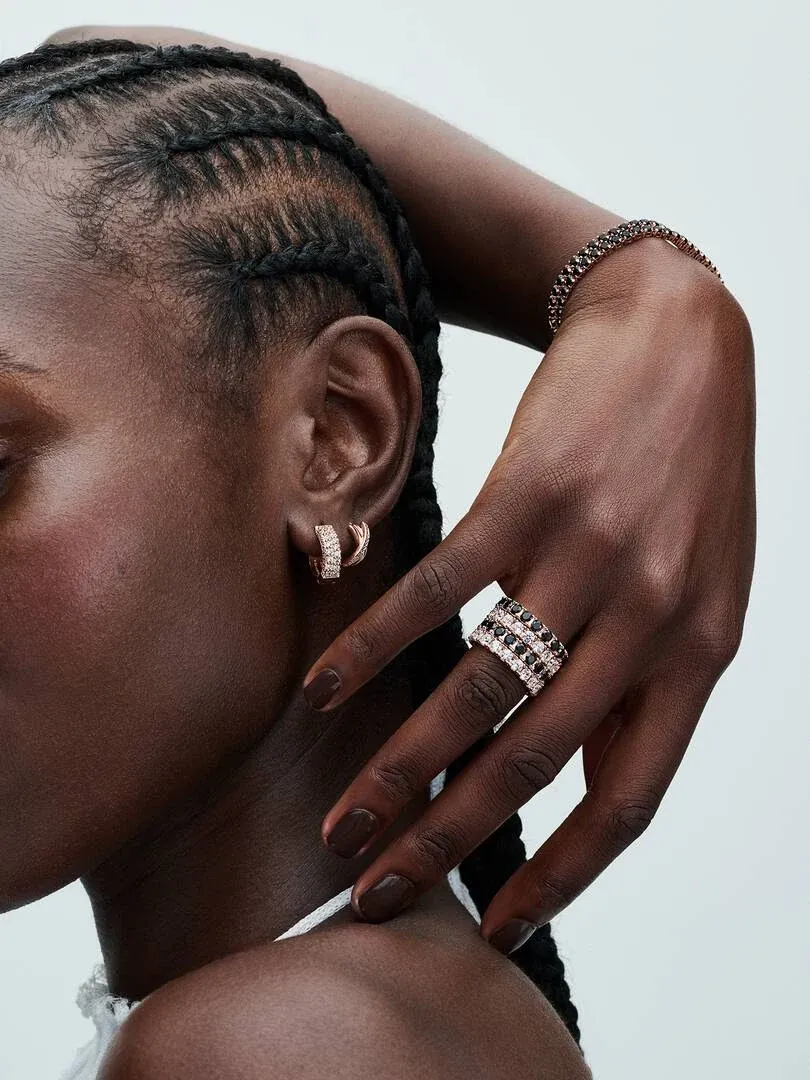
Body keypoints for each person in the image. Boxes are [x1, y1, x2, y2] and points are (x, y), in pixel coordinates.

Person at [0, 36, 591, 1080]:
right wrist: (634, 277)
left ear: (336, 435)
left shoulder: (280, 1046)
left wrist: (643, 286)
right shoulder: (371, 1010)